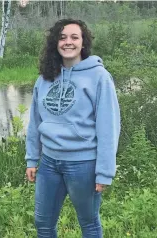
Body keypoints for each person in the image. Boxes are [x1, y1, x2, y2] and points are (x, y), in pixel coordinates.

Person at [24, 18, 121, 238]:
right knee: (43, 223)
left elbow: (108, 126)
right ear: (55, 43)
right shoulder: (45, 78)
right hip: (49, 164)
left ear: (83, 43)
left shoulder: (99, 77)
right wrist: (32, 158)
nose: (68, 42)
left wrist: (104, 171)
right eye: (62, 37)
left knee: (88, 223)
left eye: (74, 37)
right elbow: (36, 121)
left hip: (83, 165)